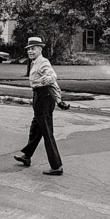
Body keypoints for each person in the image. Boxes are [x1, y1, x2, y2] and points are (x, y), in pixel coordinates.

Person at [14, 37, 70, 175]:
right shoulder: (35, 63)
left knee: (46, 132)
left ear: (40, 49)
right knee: (36, 128)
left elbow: (52, 77)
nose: (30, 51)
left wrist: (50, 80)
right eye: (29, 49)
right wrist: (58, 100)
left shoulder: (43, 62)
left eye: (33, 49)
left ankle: (57, 166)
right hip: (40, 96)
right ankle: (27, 156)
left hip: (44, 97)